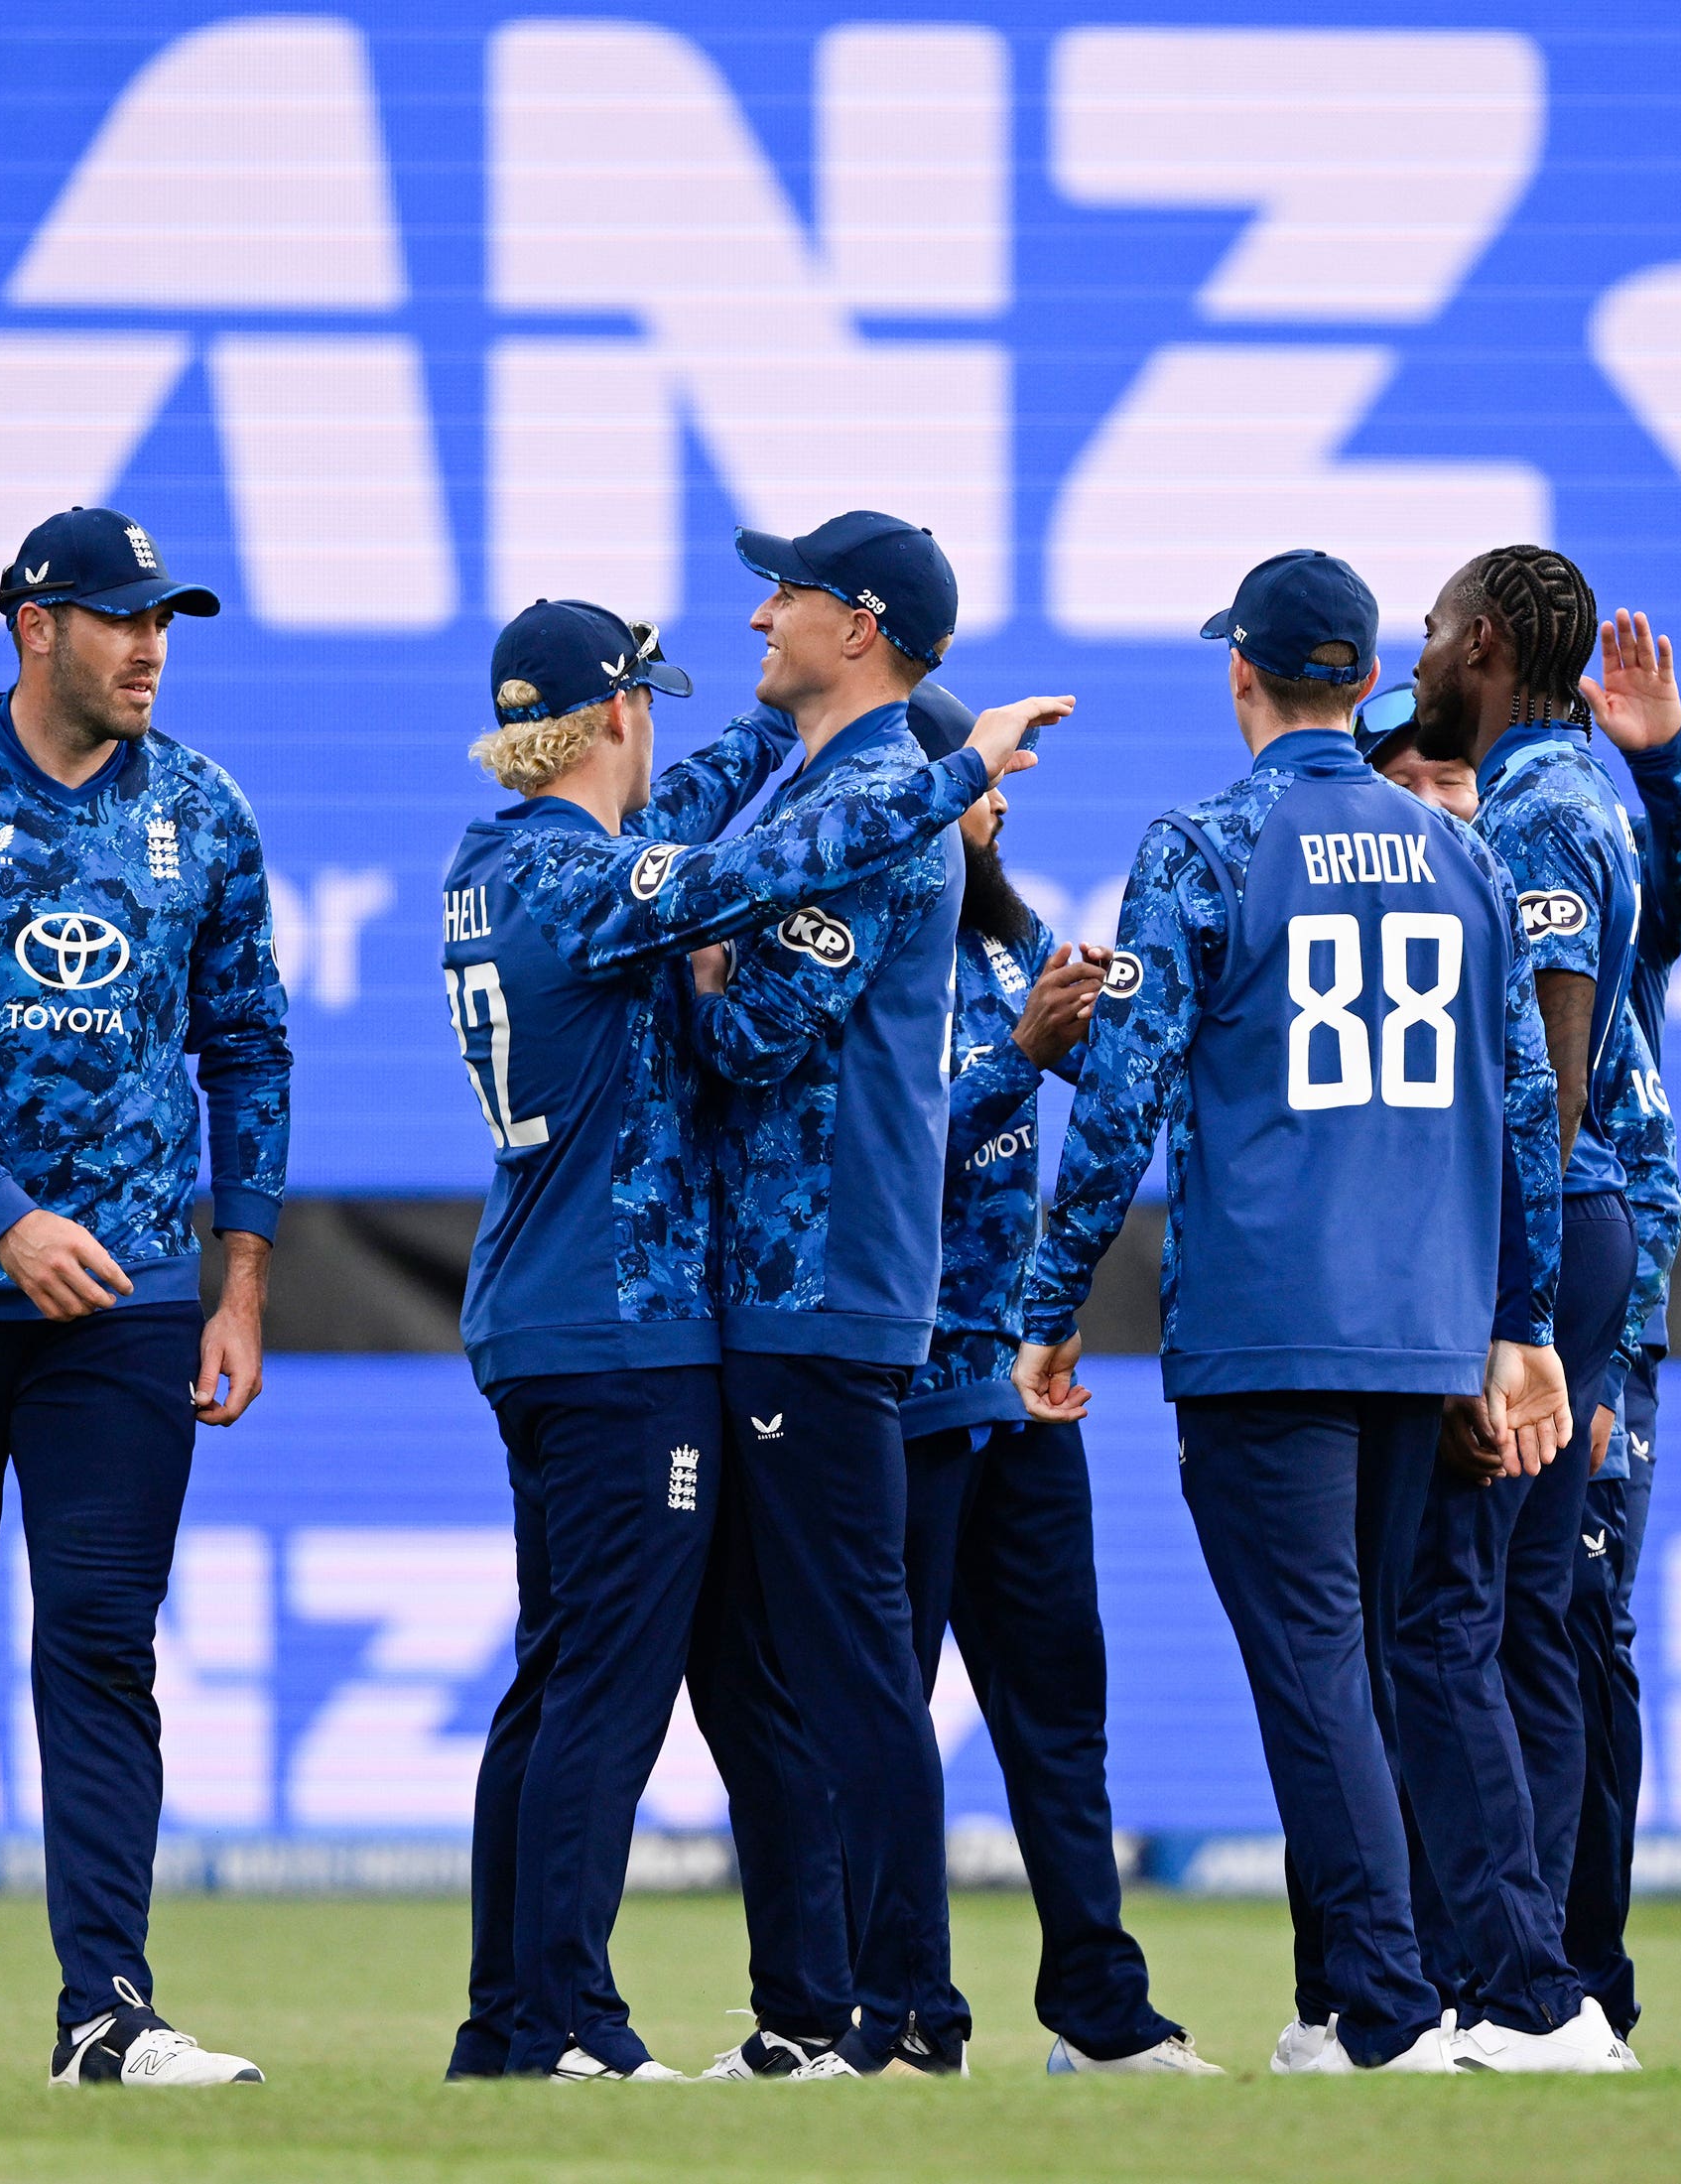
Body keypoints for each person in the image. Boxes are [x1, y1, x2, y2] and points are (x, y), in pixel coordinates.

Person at [436, 603, 1055, 2082]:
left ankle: (525, 2017)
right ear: (614, 720)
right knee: (607, 1684)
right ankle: (569, 2020)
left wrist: (810, 710)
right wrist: (936, 765)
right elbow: (739, 868)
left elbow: (708, 808)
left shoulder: (497, 859)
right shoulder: (588, 881)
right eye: (648, 701)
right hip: (624, 1326)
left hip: (553, 1313)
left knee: (596, 1675)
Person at [1013, 549, 1578, 2076]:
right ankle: (1358, 2005)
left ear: (1242, 674)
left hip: (1268, 1324)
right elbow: (1524, 1101)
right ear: (1359, 676)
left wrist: (1048, 1303)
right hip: (1419, 1325)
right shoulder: (1457, 850)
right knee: (1368, 1660)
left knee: (1316, 1669)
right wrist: (1514, 1312)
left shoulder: (1202, 844)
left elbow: (1123, 1087)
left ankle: (1388, 2012)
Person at [0, 507, 292, 2091]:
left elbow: (250, 1047)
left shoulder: (204, 810)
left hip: (131, 1307)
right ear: (34, 625)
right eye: (122, 618)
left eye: (168, 621)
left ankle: (108, 2011)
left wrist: (240, 1278)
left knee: (99, 1642)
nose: (152, 647)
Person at [676, 512, 992, 2079]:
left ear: (855, 623)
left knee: (852, 1659)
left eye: (781, 592)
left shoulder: (875, 796)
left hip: (819, 1281)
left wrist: (685, 962)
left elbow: (753, 1035)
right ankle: (806, 2006)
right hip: (774, 1282)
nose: (757, 619)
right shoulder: (819, 781)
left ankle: (908, 2006)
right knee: (752, 1662)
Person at [892, 683, 1216, 2078]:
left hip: (1011, 1391)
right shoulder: (851, 945)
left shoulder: (1005, 932)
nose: (998, 802)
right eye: (975, 782)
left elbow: (1079, 1108)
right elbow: (871, 1143)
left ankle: (1100, 2012)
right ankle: (902, 2011)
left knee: (1057, 1717)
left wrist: (1086, 1032)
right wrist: (1018, 1055)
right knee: (879, 1715)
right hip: (888, 1392)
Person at [1390, 546, 1643, 2069]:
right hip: (1573, 1228)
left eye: (1427, 630)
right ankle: (1537, 1980)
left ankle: (1511, 1985)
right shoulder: (1574, 786)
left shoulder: (1541, 805)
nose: (1414, 652)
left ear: (1479, 643)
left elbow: (1542, 1084)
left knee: (1451, 1615)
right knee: (1528, 1627)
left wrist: (1510, 1309)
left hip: (1537, 1227)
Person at [1557, 618, 1681, 2038]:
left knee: (1577, 1625)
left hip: (1592, 1307)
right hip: (1461, 1300)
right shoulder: (1454, 868)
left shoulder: (1589, 865)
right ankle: (1477, 1962)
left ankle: (1580, 1980)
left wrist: (1661, 756)